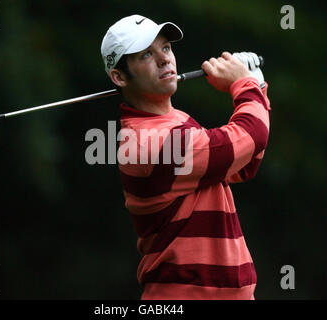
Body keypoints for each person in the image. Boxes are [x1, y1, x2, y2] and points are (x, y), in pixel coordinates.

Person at [101, 15, 271, 300]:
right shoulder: (147, 143)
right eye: (146, 54)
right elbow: (252, 136)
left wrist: (256, 88)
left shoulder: (176, 121)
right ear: (119, 76)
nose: (164, 60)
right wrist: (245, 85)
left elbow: (243, 164)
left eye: (166, 48)